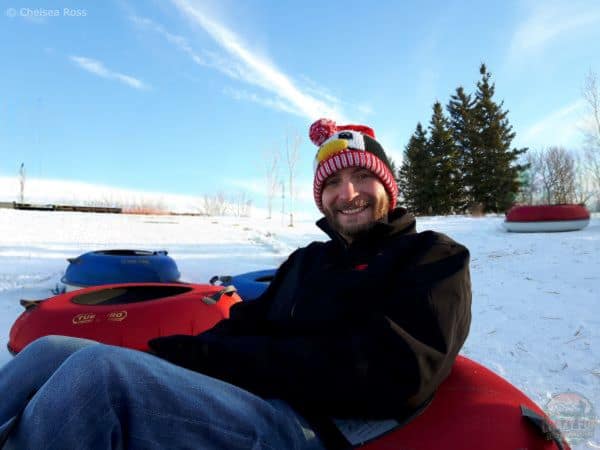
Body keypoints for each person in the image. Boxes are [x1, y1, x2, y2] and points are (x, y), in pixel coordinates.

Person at [0, 118, 471, 450]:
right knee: (55, 349)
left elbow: (397, 372)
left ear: (389, 186)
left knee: (96, 378)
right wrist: (177, 354)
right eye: (333, 183)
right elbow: (246, 323)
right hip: (255, 396)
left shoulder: (431, 256)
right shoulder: (309, 261)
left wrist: (225, 361)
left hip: (316, 425)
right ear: (321, 198)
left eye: (362, 176)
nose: (347, 194)